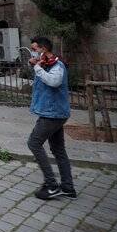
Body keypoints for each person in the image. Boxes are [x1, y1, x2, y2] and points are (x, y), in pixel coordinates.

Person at [27, 36, 76, 200]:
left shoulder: (57, 65)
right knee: (58, 150)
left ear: (43, 49)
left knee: (34, 143)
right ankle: (68, 188)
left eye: (34, 49)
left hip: (52, 114)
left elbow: (54, 82)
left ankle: (51, 184)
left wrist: (38, 69)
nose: (33, 52)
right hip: (53, 113)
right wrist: (38, 66)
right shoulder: (46, 64)